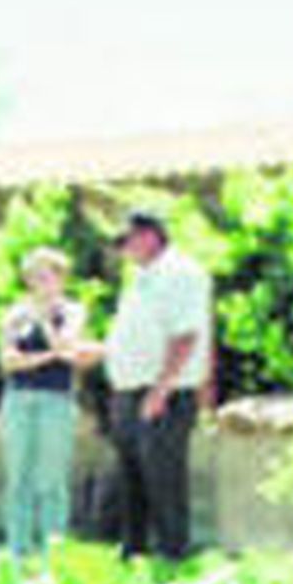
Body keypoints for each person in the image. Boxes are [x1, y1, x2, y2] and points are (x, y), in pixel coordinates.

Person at [100, 208, 212, 560]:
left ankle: (173, 552)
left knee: (163, 479)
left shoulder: (180, 273)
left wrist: (160, 390)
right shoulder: (141, 277)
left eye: (126, 241)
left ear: (149, 236)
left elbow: (186, 336)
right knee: (132, 476)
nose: (123, 250)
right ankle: (134, 551)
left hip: (162, 393)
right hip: (130, 391)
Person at [0, 246, 86, 557]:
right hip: (18, 399)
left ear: (61, 278)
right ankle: (17, 551)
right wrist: (49, 356)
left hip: (56, 400)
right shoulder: (14, 313)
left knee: (52, 479)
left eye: (47, 276)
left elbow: (66, 346)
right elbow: (8, 361)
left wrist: (45, 323)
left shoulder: (72, 311)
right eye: (34, 277)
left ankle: (54, 553)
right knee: (18, 476)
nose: (41, 283)